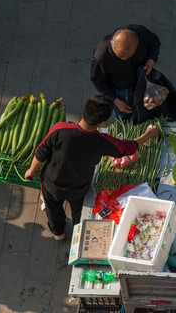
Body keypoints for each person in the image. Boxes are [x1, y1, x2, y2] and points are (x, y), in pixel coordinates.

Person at [25, 94, 159, 240]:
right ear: (102, 122)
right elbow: (128, 148)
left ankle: (58, 233)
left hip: (52, 183)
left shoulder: (60, 129)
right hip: (78, 186)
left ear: (84, 110)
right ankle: (79, 231)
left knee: (53, 210)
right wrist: (148, 134)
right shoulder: (102, 141)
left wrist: (31, 171)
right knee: (79, 210)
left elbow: (41, 152)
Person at [91, 24, 161, 119]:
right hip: (122, 94)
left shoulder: (141, 33)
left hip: (144, 84)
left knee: (149, 116)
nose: (125, 59)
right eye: (120, 56)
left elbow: (155, 43)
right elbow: (98, 81)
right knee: (124, 120)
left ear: (137, 43)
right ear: (111, 43)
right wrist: (116, 101)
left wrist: (151, 61)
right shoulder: (101, 56)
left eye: (130, 55)